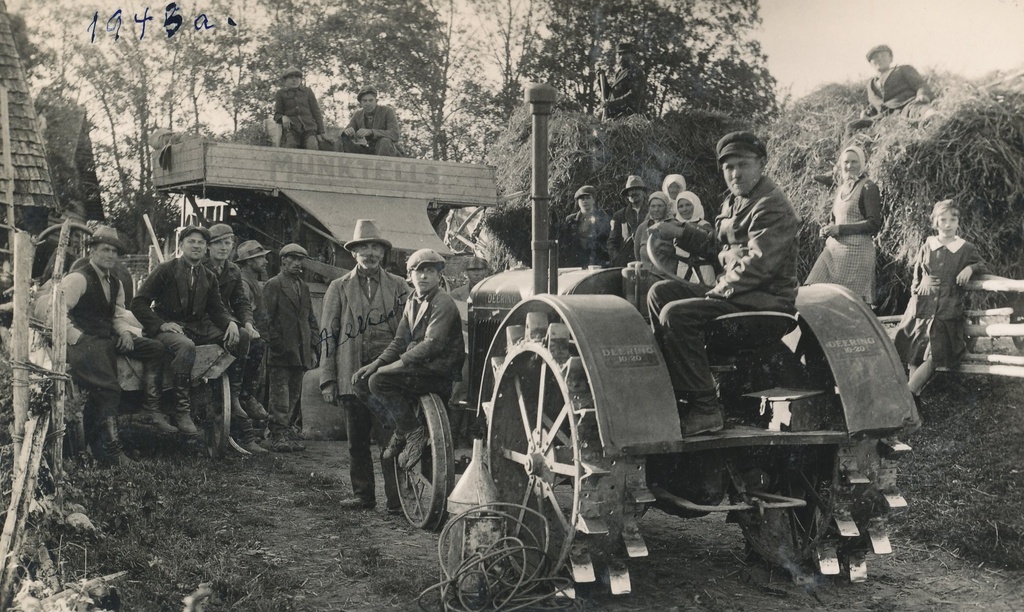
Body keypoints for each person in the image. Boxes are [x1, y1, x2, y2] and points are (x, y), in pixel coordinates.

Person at [647, 131, 800, 436]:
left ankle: (705, 408)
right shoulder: (735, 201)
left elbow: (757, 266)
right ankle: (682, 396)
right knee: (659, 293)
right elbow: (718, 247)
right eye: (728, 167)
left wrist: (716, 292)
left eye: (742, 164)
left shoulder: (772, 205)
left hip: (764, 303)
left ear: (762, 164)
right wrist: (681, 233)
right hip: (739, 296)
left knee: (677, 315)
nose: (735, 173)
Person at [58, 227, 169, 464]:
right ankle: (109, 451)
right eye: (105, 250)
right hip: (83, 341)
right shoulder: (78, 278)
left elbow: (118, 315)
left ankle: (151, 408)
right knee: (109, 388)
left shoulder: (115, 282)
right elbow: (55, 312)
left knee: (156, 348)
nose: (110, 255)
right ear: (92, 251)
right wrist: (75, 337)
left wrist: (126, 333)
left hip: (106, 338)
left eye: (114, 251)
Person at [319, 220, 408, 513]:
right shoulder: (338, 287)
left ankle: (396, 501)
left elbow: (408, 331)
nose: (369, 253)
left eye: (374, 247)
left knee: (391, 440)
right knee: (356, 442)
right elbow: (328, 336)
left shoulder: (398, 286)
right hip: (350, 375)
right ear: (354, 253)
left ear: (383, 252)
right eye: (363, 248)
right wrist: (329, 379)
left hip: (386, 380)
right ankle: (363, 495)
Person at [354, 249, 464, 470]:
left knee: (378, 382)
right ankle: (403, 428)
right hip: (420, 369)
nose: (423, 277)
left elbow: (433, 344)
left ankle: (413, 433)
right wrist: (376, 364)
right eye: (418, 272)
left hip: (438, 372)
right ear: (410, 276)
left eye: (430, 271)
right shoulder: (413, 300)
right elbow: (399, 341)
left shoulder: (443, 302)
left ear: (438, 276)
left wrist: (393, 366)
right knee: (361, 382)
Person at [132, 226, 240, 436]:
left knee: (241, 338)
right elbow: (138, 303)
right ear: (181, 245)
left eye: (201, 243)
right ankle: (182, 410)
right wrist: (160, 324)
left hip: (194, 327)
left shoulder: (208, 276)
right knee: (185, 346)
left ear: (206, 248)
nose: (196, 246)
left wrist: (231, 323)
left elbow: (217, 309)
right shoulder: (166, 269)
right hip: (166, 328)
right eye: (191, 241)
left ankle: (228, 397)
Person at [894, 200, 987, 421]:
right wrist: (915, 294)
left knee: (938, 352)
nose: (947, 224)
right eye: (942, 220)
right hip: (923, 302)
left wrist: (969, 268)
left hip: (948, 304)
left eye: (952, 220)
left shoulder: (965, 249)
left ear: (958, 222)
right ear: (935, 222)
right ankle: (913, 402)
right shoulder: (928, 245)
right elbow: (917, 272)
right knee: (916, 349)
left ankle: (906, 395)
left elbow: (982, 265)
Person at [205, 224, 267, 454]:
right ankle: (237, 399)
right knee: (239, 337)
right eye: (218, 243)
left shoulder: (232, 271)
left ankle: (243, 395)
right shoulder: (199, 267)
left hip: (225, 324)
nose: (223, 248)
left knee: (256, 342)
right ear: (208, 246)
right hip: (204, 324)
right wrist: (232, 324)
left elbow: (240, 302)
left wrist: (248, 323)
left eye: (227, 243)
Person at [805, 145, 882, 304]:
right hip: (833, 252)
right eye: (846, 162)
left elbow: (874, 223)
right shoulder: (840, 188)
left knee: (848, 304)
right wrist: (827, 229)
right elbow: (836, 219)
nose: (849, 166)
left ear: (862, 163)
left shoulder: (869, 187)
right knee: (812, 288)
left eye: (854, 162)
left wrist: (839, 229)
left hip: (857, 253)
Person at [263, 243, 319, 452]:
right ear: (283, 261)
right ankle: (276, 436)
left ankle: (285, 433)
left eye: (300, 260)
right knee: (280, 395)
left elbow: (310, 318)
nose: (297, 263)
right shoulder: (274, 284)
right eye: (293, 259)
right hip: (281, 351)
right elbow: (265, 319)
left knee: (294, 393)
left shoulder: (302, 286)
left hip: (301, 350)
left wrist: (313, 345)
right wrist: (277, 344)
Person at [447, 255, 491, 447]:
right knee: (459, 391)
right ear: (466, 273)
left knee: (481, 391)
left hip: (484, 350)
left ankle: (473, 433)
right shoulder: (456, 295)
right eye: (473, 271)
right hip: (463, 350)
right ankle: (452, 436)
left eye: (480, 270)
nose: (477, 274)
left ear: (487, 272)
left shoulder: (492, 293)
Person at [847, 45, 934, 136]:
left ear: (891, 59)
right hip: (884, 117)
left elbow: (919, 84)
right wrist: (866, 113)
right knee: (852, 126)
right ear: (870, 63)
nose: (879, 59)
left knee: (917, 108)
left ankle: (933, 117)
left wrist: (922, 94)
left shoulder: (903, 69)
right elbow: (874, 105)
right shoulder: (870, 84)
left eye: (883, 56)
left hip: (905, 105)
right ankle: (851, 149)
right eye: (875, 57)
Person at [236, 240, 272, 425]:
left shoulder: (253, 281)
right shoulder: (244, 283)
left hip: (259, 339)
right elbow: (245, 313)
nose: (265, 261)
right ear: (249, 262)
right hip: (251, 341)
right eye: (260, 258)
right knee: (249, 388)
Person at [559, 185, 611, 269]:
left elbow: (607, 242)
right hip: (576, 262)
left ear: (593, 200)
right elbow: (565, 243)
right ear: (578, 201)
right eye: (582, 199)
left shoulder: (603, 218)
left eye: (588, 198)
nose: (585, 201)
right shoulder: (570, 220)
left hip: (597, 261)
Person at [274, 67, 325, 150]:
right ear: (285, 81)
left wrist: (321, 132)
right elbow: (277, 114)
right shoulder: (281, 94)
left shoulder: (307, 92)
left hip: (309, 129)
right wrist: (283, 117)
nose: (294, 80)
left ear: (300, 80)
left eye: (297, 77)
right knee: (291, 146)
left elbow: (316, 112)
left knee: (312, 146)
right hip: (291, 130)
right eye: (291, 78)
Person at [340, 86, 401, 157]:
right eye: (364, 101)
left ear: (376, 101)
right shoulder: (358, 115)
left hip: (386, 151)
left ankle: (382, 167)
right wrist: (348, 131)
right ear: (361, 103)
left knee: (385, 141)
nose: (368, 103)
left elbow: (394, 135)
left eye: (371, 100)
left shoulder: (387, 111)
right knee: (343, 140)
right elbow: (347, 130)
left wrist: (371, 132)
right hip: (367, 150)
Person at [673, 191, 716, 285]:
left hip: (702, 273)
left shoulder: (704, 225)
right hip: (682, 273)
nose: (684, 209)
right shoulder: (675, 227)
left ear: (695, 205)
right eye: (681, 206)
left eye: (688, 205)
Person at [608, 175, 648, 267]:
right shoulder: (619, 215)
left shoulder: (652, 212)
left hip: (647, 261)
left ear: (644, 193)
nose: (634, 192)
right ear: (627, 196)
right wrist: (617, 259)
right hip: (626, 263)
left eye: (637, 189)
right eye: (630, 190)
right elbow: (612, 242)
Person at [601, 42, 647, 119]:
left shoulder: (636, 72)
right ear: (616, 57)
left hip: (628, 118)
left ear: (631, 56)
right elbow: (610, 95)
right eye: (619, 54)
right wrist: (602, 80)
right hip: (613, 118)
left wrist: (612, 104)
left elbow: (633, 96)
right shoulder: (618, 73)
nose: (621, 57)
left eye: (625, 54)